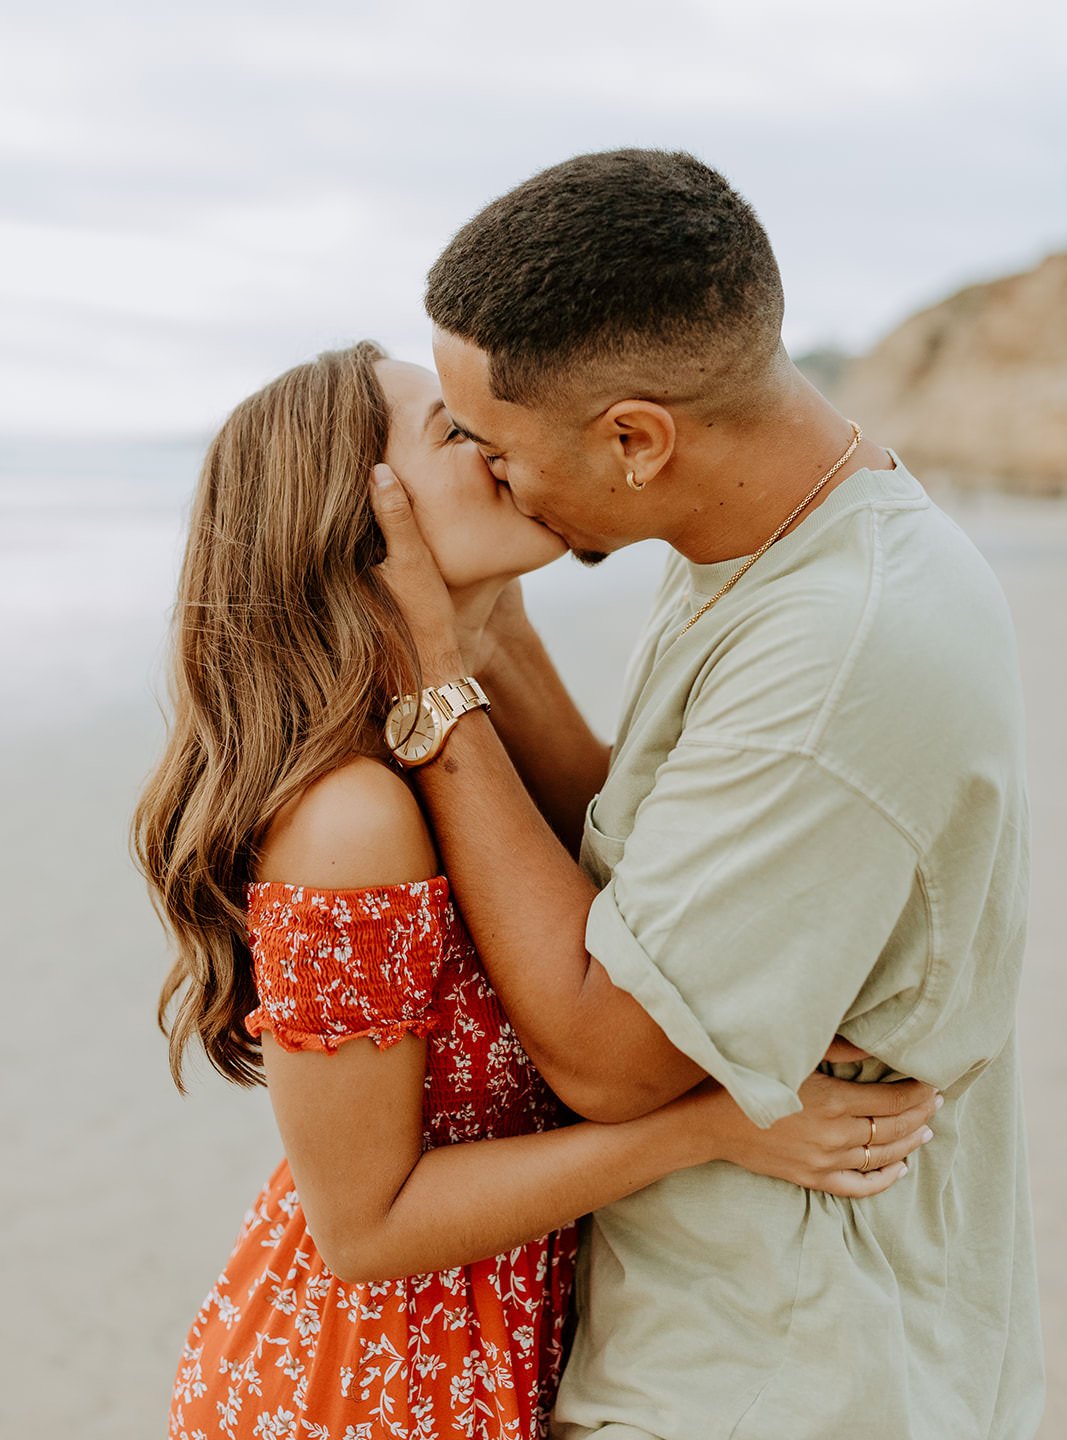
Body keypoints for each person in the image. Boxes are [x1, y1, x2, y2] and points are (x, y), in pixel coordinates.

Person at [134, 344, 932, 1440]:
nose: (499, 446)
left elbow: (625, 885)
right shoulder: (351, 817)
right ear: (362, 515)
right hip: (370, 1387)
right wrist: (720, 1129)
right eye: (451, 432)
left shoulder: (445, 738)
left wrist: (482, 633)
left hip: (487, 1353)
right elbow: (363, 1226)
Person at [368, 149, 1045, 1439]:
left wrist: (435, 691)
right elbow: (646, 865)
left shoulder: (844, 644)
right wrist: (498, 640)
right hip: (743, 1328)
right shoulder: (764, 531)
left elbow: (606, 1055)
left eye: (497, 447)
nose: (488, 475)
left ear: (635, 437)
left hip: (777, 1362)